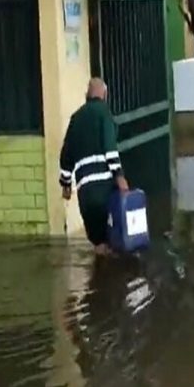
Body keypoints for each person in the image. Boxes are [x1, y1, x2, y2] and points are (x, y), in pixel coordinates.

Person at [59, 78, 129, 256]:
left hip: (86, 196)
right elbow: (110, 149)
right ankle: (110, 281)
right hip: (106, 192)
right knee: (115, 243)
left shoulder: (75, 119)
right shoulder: (103, 113)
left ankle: (99, 279)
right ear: (104, 95)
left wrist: (66, 185)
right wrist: (120, 178)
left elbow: (66, 155)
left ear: (86, 95)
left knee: (98, 245)